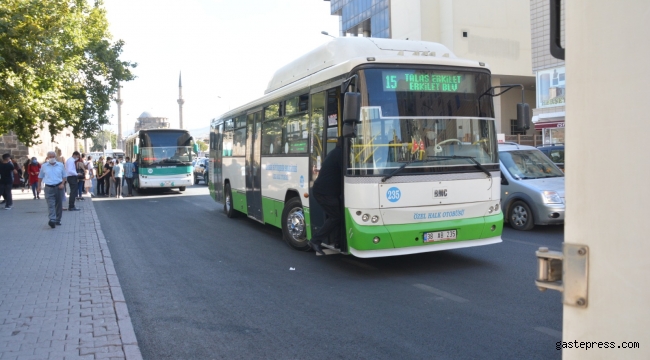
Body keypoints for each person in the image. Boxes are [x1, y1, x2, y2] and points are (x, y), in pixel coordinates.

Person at [308, 138, 343, 255]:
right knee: (336, 217)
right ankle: (315, 240)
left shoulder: (335, 152)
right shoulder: (339, 154)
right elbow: (345, 171)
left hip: (327, 191)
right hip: (324, 192)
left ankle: (338, 241)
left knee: (337, 215)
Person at [37, 151, 67, 228]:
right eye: (50, 157)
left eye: (53, 156)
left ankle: (58, 219)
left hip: (59, 187)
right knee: (51, 204)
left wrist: (62, 184)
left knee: (58, 204)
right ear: (47, 157)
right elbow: (40, 176)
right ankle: (52, 220)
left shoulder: (60, 165)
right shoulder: (44, 166)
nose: (51, 158)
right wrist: (39, 186)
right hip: (48, 187)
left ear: (55, 157)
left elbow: (64, 176)